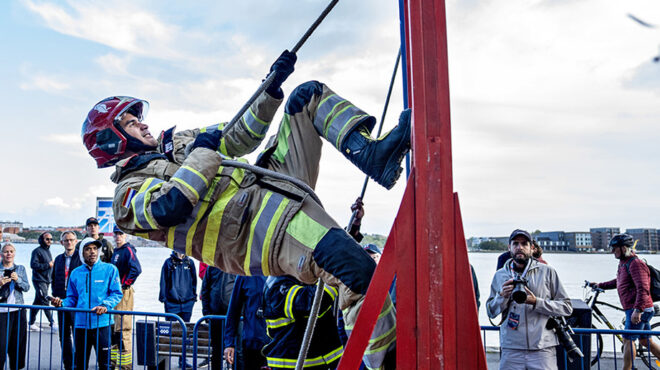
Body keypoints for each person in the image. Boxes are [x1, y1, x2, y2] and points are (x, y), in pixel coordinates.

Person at [82, 51, 407, 368]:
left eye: (139, 119)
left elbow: (240, 137)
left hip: (277, 186)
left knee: (306, 97)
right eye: (131, 123)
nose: (143, 124)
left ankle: (373, 155)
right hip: (263, 231)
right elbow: (172, 205)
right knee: (359, 275)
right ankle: (386, 362)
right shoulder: (127, 194)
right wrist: (200, 154)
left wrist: (270, 89)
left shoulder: (177, 143)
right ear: (113, 142)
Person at [486, 229, 572, 370]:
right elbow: (490, 312)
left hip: (542, 349)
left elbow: (566, 307)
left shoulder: (547, 272)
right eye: (515, 244)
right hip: (511, 349)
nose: (519, 247)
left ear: (532, 248)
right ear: (509, 247)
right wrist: (502, 296)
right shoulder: (499, 275)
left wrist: (536, 302)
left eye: (524, 244)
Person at [589, 233, 660, 370]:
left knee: (628, 339)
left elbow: (643, 288)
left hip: (638, 309)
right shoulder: (624, 264)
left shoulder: (636, 264)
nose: (612, 251)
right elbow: (619, 282)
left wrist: (638, 310)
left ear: (623, 248)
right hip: (638, 308)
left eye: (614, 248)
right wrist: (600, 285)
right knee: (646, 340)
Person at [51, 238, 123, 370]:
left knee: (105, 365)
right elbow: (72, 299)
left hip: (103, 324)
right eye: (88, 249)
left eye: (95, 249)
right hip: (80, 325)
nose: (92, 252)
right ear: (82, 253)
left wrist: (105, 305)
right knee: (79, 364)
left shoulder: (110, 269)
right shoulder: (75, 273)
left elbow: (117, 293)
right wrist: (60, 303)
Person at [262, 275, 343, 369]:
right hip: (292, 364)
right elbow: (313, 303)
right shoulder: (277, 285)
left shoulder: (303, 277)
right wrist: (334, 275)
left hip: (327, 361)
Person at [110, 226, 142, 370]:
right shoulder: (116, 251)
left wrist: (125, 285)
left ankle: (125, 366)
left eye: (120, 234)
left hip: (124, 294)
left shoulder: (128, 250)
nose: (118, 237)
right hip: (114, 294)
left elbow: (136, 268)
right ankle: (114, 363)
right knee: (115, 329)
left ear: (125, 236)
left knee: (124, 329)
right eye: (116, 234)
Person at [159, 251, 196, 368]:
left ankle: (183, 359)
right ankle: (164, 359)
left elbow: (194, 281)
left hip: (187, 303)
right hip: (171, 303)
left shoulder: (190, 263)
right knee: (169, 333)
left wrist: (192, 297)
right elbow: (163, 281)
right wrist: (164, 299)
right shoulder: (168, 263)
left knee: (184, 332)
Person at [222, 275, 268, 370]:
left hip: (279, 345)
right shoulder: (245, 275)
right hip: (253, 345)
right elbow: (233, 311)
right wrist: (229, 344)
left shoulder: (283, 270)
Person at [51, 231, 82, 370]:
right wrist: (55, 296)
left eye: (71, 240)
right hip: (61, 302)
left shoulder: (81, 259)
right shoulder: (58, 259)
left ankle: (78, 364)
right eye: (66, 240)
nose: (69, 242)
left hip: (76, 304)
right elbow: (53, 279)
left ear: (76, 241)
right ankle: (68, 364)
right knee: (64, 336)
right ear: (61, 242)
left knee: (78, 336)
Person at [0, 243, 29, 370]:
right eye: (6, 251)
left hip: (18, 310)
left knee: (18, 345)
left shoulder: (20, 269)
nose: (9, 254)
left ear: (15, 253)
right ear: (1, 254)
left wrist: (18, 280)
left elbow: (27, 287)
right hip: (1, 311)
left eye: (11, 251)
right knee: (1, 345)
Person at [199, 266, 235, 368]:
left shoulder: (236, 265)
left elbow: (241, 292)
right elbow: (205, 290)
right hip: (215, 316)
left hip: (233, 317)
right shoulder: (211, 267)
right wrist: (206, 313)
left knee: (236, 351)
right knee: (216, 350)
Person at [29, 232, 55, 331]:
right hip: (39, 280)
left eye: (51, 239)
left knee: (37, 302)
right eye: (47, 239)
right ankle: (52, 323)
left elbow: (50, 266)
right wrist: (48, 265)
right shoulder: (37, 251)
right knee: (44, 300)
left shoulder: (48, 251)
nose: (49, 241)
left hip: (47, 280)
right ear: (41, 240)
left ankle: (31, 323)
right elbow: (33, 265)